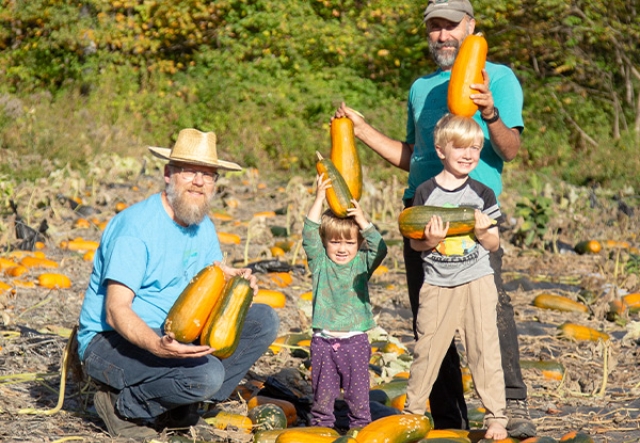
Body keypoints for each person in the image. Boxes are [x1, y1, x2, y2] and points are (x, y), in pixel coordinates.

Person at [332, 0, 535, 437]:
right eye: (434, 28)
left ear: (471, 26)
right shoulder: (420, 87)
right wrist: (361, 131)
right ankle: (446, 419)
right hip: (422, 213)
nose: (442, 35)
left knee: (490, 310)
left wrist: (490, 112)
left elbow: (511, 149)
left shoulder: (498, 78)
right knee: (431, 319)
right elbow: (416, 157)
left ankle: (511, 405)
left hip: (473, 213)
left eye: (450, 26)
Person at [76, 128, 279, 440]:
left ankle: (180, 405)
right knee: (208, 373)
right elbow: (116, 311)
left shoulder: (203, 226)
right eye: (190, 172)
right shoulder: (136, 228)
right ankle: (124, 405)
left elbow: (211, 279)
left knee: (263, 320)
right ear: (169, 174)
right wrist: (157, 346)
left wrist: (238, 286)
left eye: (208, 175)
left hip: (175, 331)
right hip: (112, 340)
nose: (199, 182)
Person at [403, 113, 507, 440]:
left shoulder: (483, 194)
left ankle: (496, 417)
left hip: (477, 280)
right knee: (428, 348)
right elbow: (415, 242)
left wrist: (482, 232)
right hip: (437, 283)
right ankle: (412, 413)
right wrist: (430, 241)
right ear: (440, 151)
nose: (468, 154)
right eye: (460, 147)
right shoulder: (424, 193)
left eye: (475, 148)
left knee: (484, 349)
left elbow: (494, 242)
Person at [302, 173, 388, 431]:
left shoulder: (362, 264)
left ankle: (360, 431)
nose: (342, 248)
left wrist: (362, 220)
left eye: (349, 242)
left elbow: (380, 248)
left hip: (355, 342)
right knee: (322, 397)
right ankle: (322, 432)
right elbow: (308, 233)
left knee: (359, 399)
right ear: (325, 242)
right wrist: (319, 198)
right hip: (323, 342)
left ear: (359, 242)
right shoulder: (320, 263)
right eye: (335, 242)